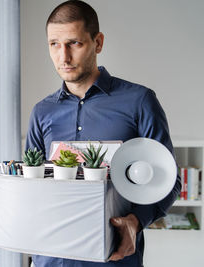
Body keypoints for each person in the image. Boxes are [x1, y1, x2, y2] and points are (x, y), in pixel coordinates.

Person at [25, 1, 181, 266]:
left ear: (97, 43)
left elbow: (169, 179)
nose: (63, 57)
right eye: (54, 44)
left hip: (114, 258)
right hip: (51, 259)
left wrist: (135, 221)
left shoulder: (139, 101)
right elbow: (33, 186)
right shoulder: (41, 112)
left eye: (74, 43)